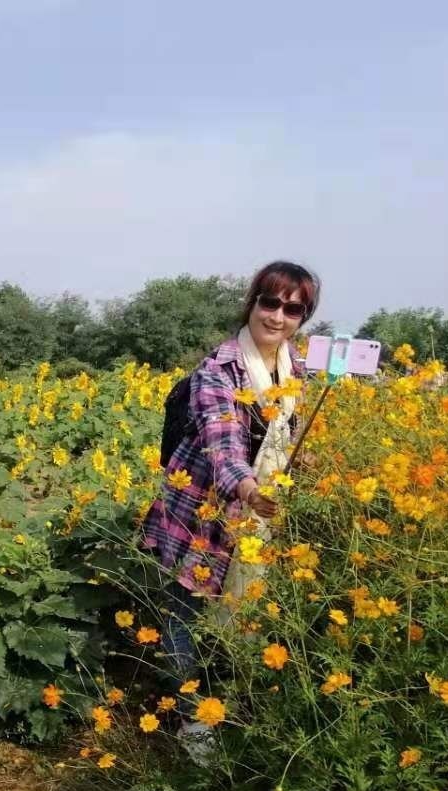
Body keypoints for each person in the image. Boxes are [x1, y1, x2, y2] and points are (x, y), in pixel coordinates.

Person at [138, 261, 319, 756]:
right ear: (252, 303)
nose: (278, 316)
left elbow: (287, 436)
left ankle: (225, 696)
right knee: (187, 609)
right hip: (202, 511)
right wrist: (247, 490)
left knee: (240, 610)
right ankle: (191, 716)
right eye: (270, 301)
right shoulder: (219, 370)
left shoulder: (295, 368)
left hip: (257, 512)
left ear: (303, 316)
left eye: (293, 308)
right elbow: (224, 446)